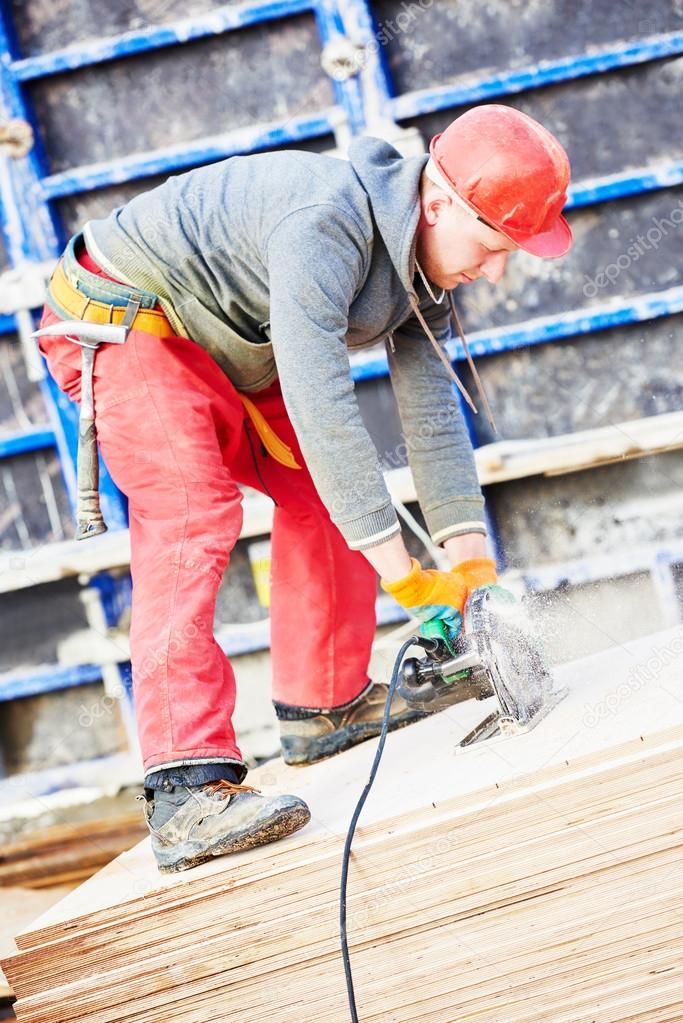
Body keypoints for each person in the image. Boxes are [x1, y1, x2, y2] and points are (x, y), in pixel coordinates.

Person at [38, 104, 572, 873]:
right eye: (492, 246)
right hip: (123, 316)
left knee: (325, 491)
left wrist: (475, 575)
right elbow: (322, 406)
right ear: (436, 203)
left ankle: (320, 705)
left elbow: (432, 418)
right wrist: (412, 580)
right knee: (191, 510)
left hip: (223, 334)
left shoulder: (424, 269)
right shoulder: (326, 223)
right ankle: (183, 785)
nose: (495, 269)